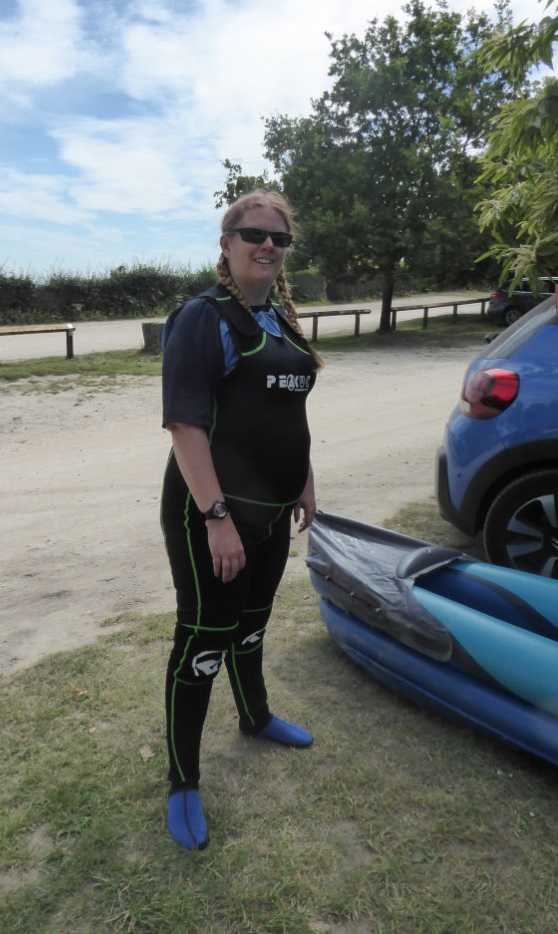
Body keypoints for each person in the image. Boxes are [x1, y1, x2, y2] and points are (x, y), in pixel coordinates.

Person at [160, 190, 323, 851]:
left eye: (279, 238)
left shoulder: (280, 319)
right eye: (254, 234)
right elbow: (185, 427)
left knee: (252, 625)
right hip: (211, 514)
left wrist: (304, 481)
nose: (268, 246)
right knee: (205, 641)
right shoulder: (203, 318)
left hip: (273, 510)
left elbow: (289, 413)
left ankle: (255, 716)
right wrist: (217, 517)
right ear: (226, 244)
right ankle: (182, 780)